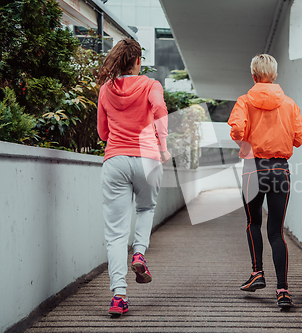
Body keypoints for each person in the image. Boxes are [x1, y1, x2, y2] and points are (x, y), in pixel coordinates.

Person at [96, 39, 170, 316]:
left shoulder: (106, 89)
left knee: (115, 234)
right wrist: (162, 146)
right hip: (148, 159)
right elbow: (160, 110)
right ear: (138, 61)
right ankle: (139, 253)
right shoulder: (151, 85)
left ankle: (119, 296)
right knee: (146, 208)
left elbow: (103, 133)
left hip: (115, 160)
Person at [228, 54, 302, 308]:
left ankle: (257, 272)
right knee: (276, 232)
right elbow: (298, 139)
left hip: (253, 168)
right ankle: (283, 291)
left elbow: (237, 131)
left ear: (253, 75)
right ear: (274, 75)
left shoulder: (244, 101)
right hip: (280, 170)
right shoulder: (290, 104)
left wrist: (245, 141)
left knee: (253, 223)